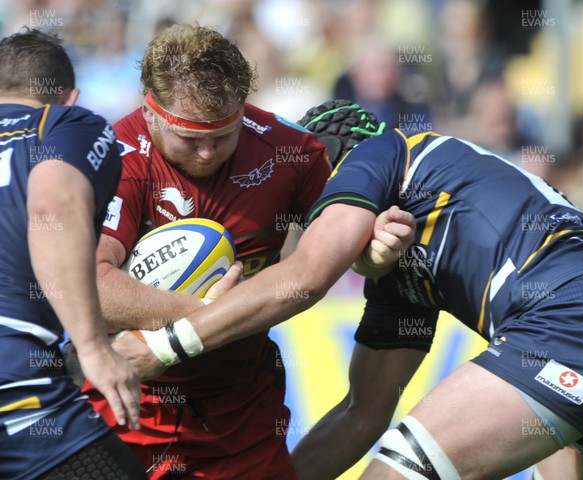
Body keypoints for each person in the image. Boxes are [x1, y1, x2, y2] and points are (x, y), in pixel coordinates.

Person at [114, 99, 583, 480]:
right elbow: (361, 413)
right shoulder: (406, 263)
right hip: (573, 333)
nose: (312, 215)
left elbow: (309, 274)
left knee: (399, 469)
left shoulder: (383, 150)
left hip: (568, 328)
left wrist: (164, 345)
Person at [78, 25, 395, 480]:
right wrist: (213, 315)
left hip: (242, 419)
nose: (207, 153)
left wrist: (376, 250)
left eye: (223, 135)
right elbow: (87, 288)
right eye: (189, 138)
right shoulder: (115, 158)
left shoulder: (291, 152)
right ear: (150, 108)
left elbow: (343, 248)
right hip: (123, 413)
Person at [0, 28, 144, 479]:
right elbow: (53, 205)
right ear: (70, 96)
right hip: (19, 392)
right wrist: (94, 347)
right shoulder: (65, 125)